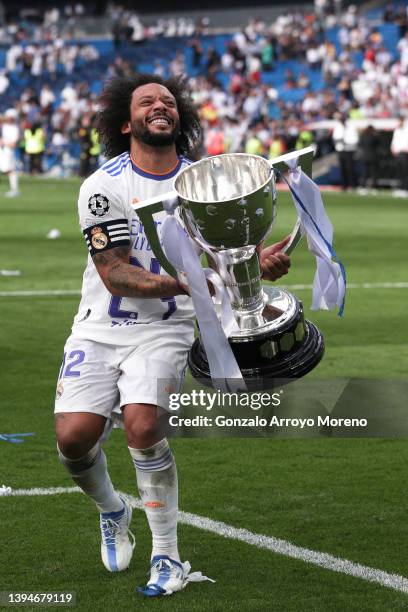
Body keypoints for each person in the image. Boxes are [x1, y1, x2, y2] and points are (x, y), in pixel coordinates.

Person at [54, 73, 291, 598]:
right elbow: (115, 272)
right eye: (146, 102)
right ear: (125, 121)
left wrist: (253, 265)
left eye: (167, 101)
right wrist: (187, 280)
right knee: (73, 440)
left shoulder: (203, 184)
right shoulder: (103, 186)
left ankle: (167, 556)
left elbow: (223, 258)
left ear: (178, 117)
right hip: (98, 327)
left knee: (143, 425)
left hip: (166, 326)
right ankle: (113, 510)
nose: (159, 106)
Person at [0, 108, 20, 197]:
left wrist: (3, 142)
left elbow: (13, 144)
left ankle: (15, 190)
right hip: (2, 151)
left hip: (7, 152)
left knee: (9, 170)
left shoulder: (14, 129)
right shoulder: (4, 126)